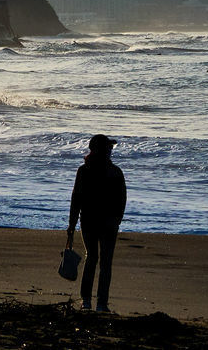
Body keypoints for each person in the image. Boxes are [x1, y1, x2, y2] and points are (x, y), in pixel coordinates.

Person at [66, 133, 127, 312]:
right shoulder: (114, 171)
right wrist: (117, 220)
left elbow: (76, 198)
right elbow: (122, 199)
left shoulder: (85, 170)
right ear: (101, 149)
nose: (110, 151)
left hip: (91, 221)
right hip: (106, 222)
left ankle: (87, 300)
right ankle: (100, 303)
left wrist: (71, 224)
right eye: (109, 148)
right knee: (104, 262)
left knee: (92, 258)